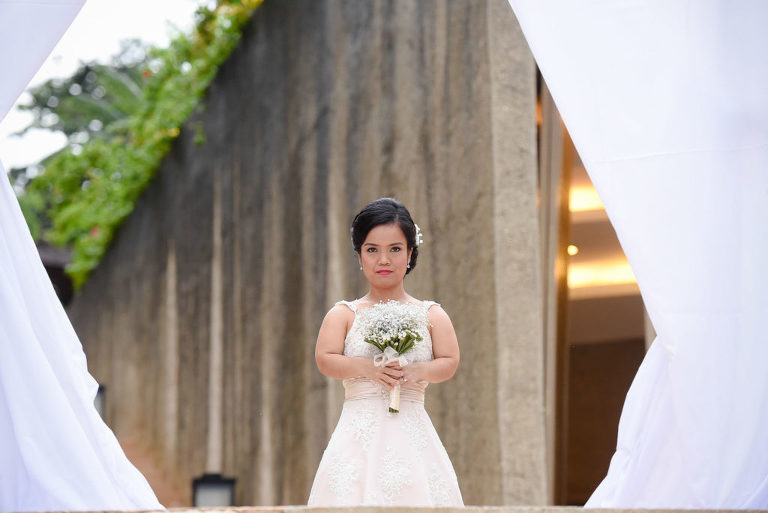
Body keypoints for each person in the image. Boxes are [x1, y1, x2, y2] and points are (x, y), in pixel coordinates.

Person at [307, 197, 463, 507]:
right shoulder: (344, 314)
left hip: (412, 429)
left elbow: (449, 361)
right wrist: (368, 367)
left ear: (410, 254)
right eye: (372, 250)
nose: (383, 260)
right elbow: (325, 358)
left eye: (394, 249)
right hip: (357, 433)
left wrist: (415, 370)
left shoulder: (431, 314)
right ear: (360, 256)